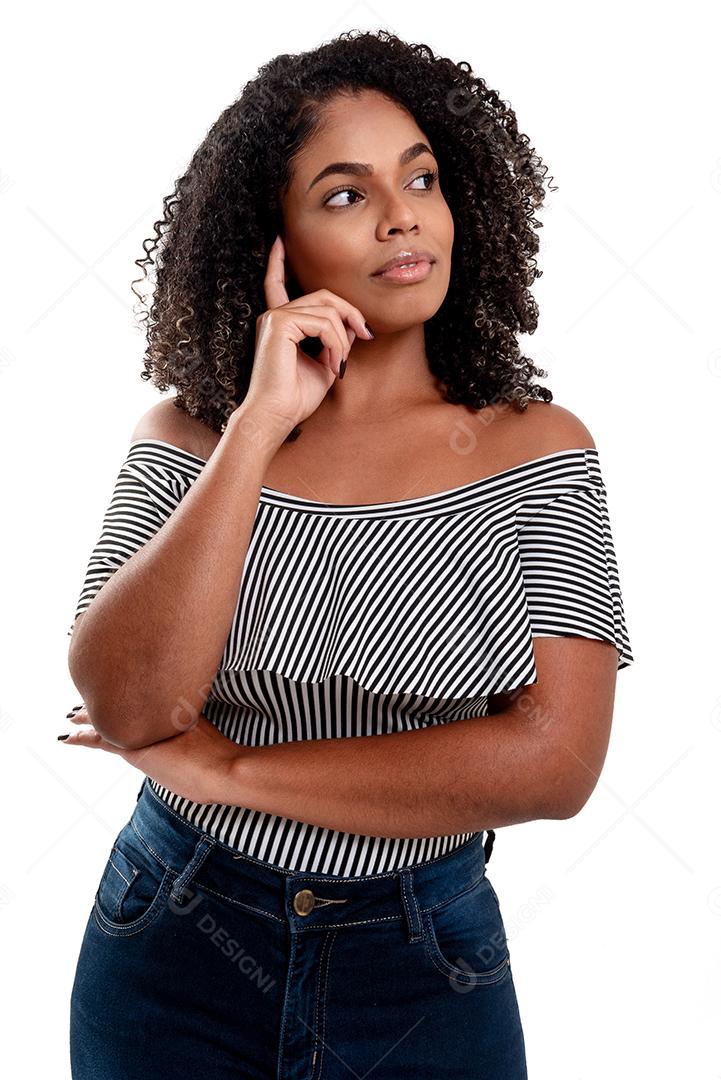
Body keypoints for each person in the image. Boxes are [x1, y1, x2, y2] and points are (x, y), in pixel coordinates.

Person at [61, 29, 634, 1080]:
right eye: (343, 194)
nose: (402, 213)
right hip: (173, 938)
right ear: (269, 244)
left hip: (420, 957)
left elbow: (553, 762)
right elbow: (130, 706)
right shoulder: (187, 438)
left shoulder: (534, 450)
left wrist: (224, 768)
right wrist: (256, 428)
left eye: (420, 178)